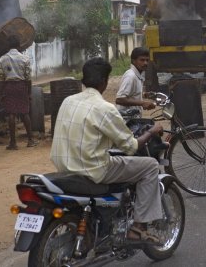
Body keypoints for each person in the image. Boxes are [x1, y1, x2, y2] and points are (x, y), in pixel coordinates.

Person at [50, 57, 164, 243]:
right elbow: (131, 147)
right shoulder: (106, 109)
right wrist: (151, 131)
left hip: (64, 167)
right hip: (94, 171)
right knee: (150, 165)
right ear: (105, 82)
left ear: (83, 81)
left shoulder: (67, 101)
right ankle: (138, 227)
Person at [0, 35, 38, 150]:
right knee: (24, 112)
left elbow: (0, 78)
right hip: (21, 86)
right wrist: (29, 93)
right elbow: (28, 78)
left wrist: (0, 93)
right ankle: (30, 140)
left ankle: (13, 143)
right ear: (19, 45)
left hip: (8, 86)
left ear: (8, 46)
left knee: (11, 113)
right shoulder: (24, 58)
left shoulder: (2, 59)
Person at [116, 47, 156, 117]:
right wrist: (142, 103)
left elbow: (131, 93)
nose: (145, 63)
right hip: (127, 121)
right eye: (142, 60)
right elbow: (120, 99)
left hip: (134, 119)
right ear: (134, 61)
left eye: (147, 60)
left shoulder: (138, 75)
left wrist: (143, 94)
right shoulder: (131, 76)